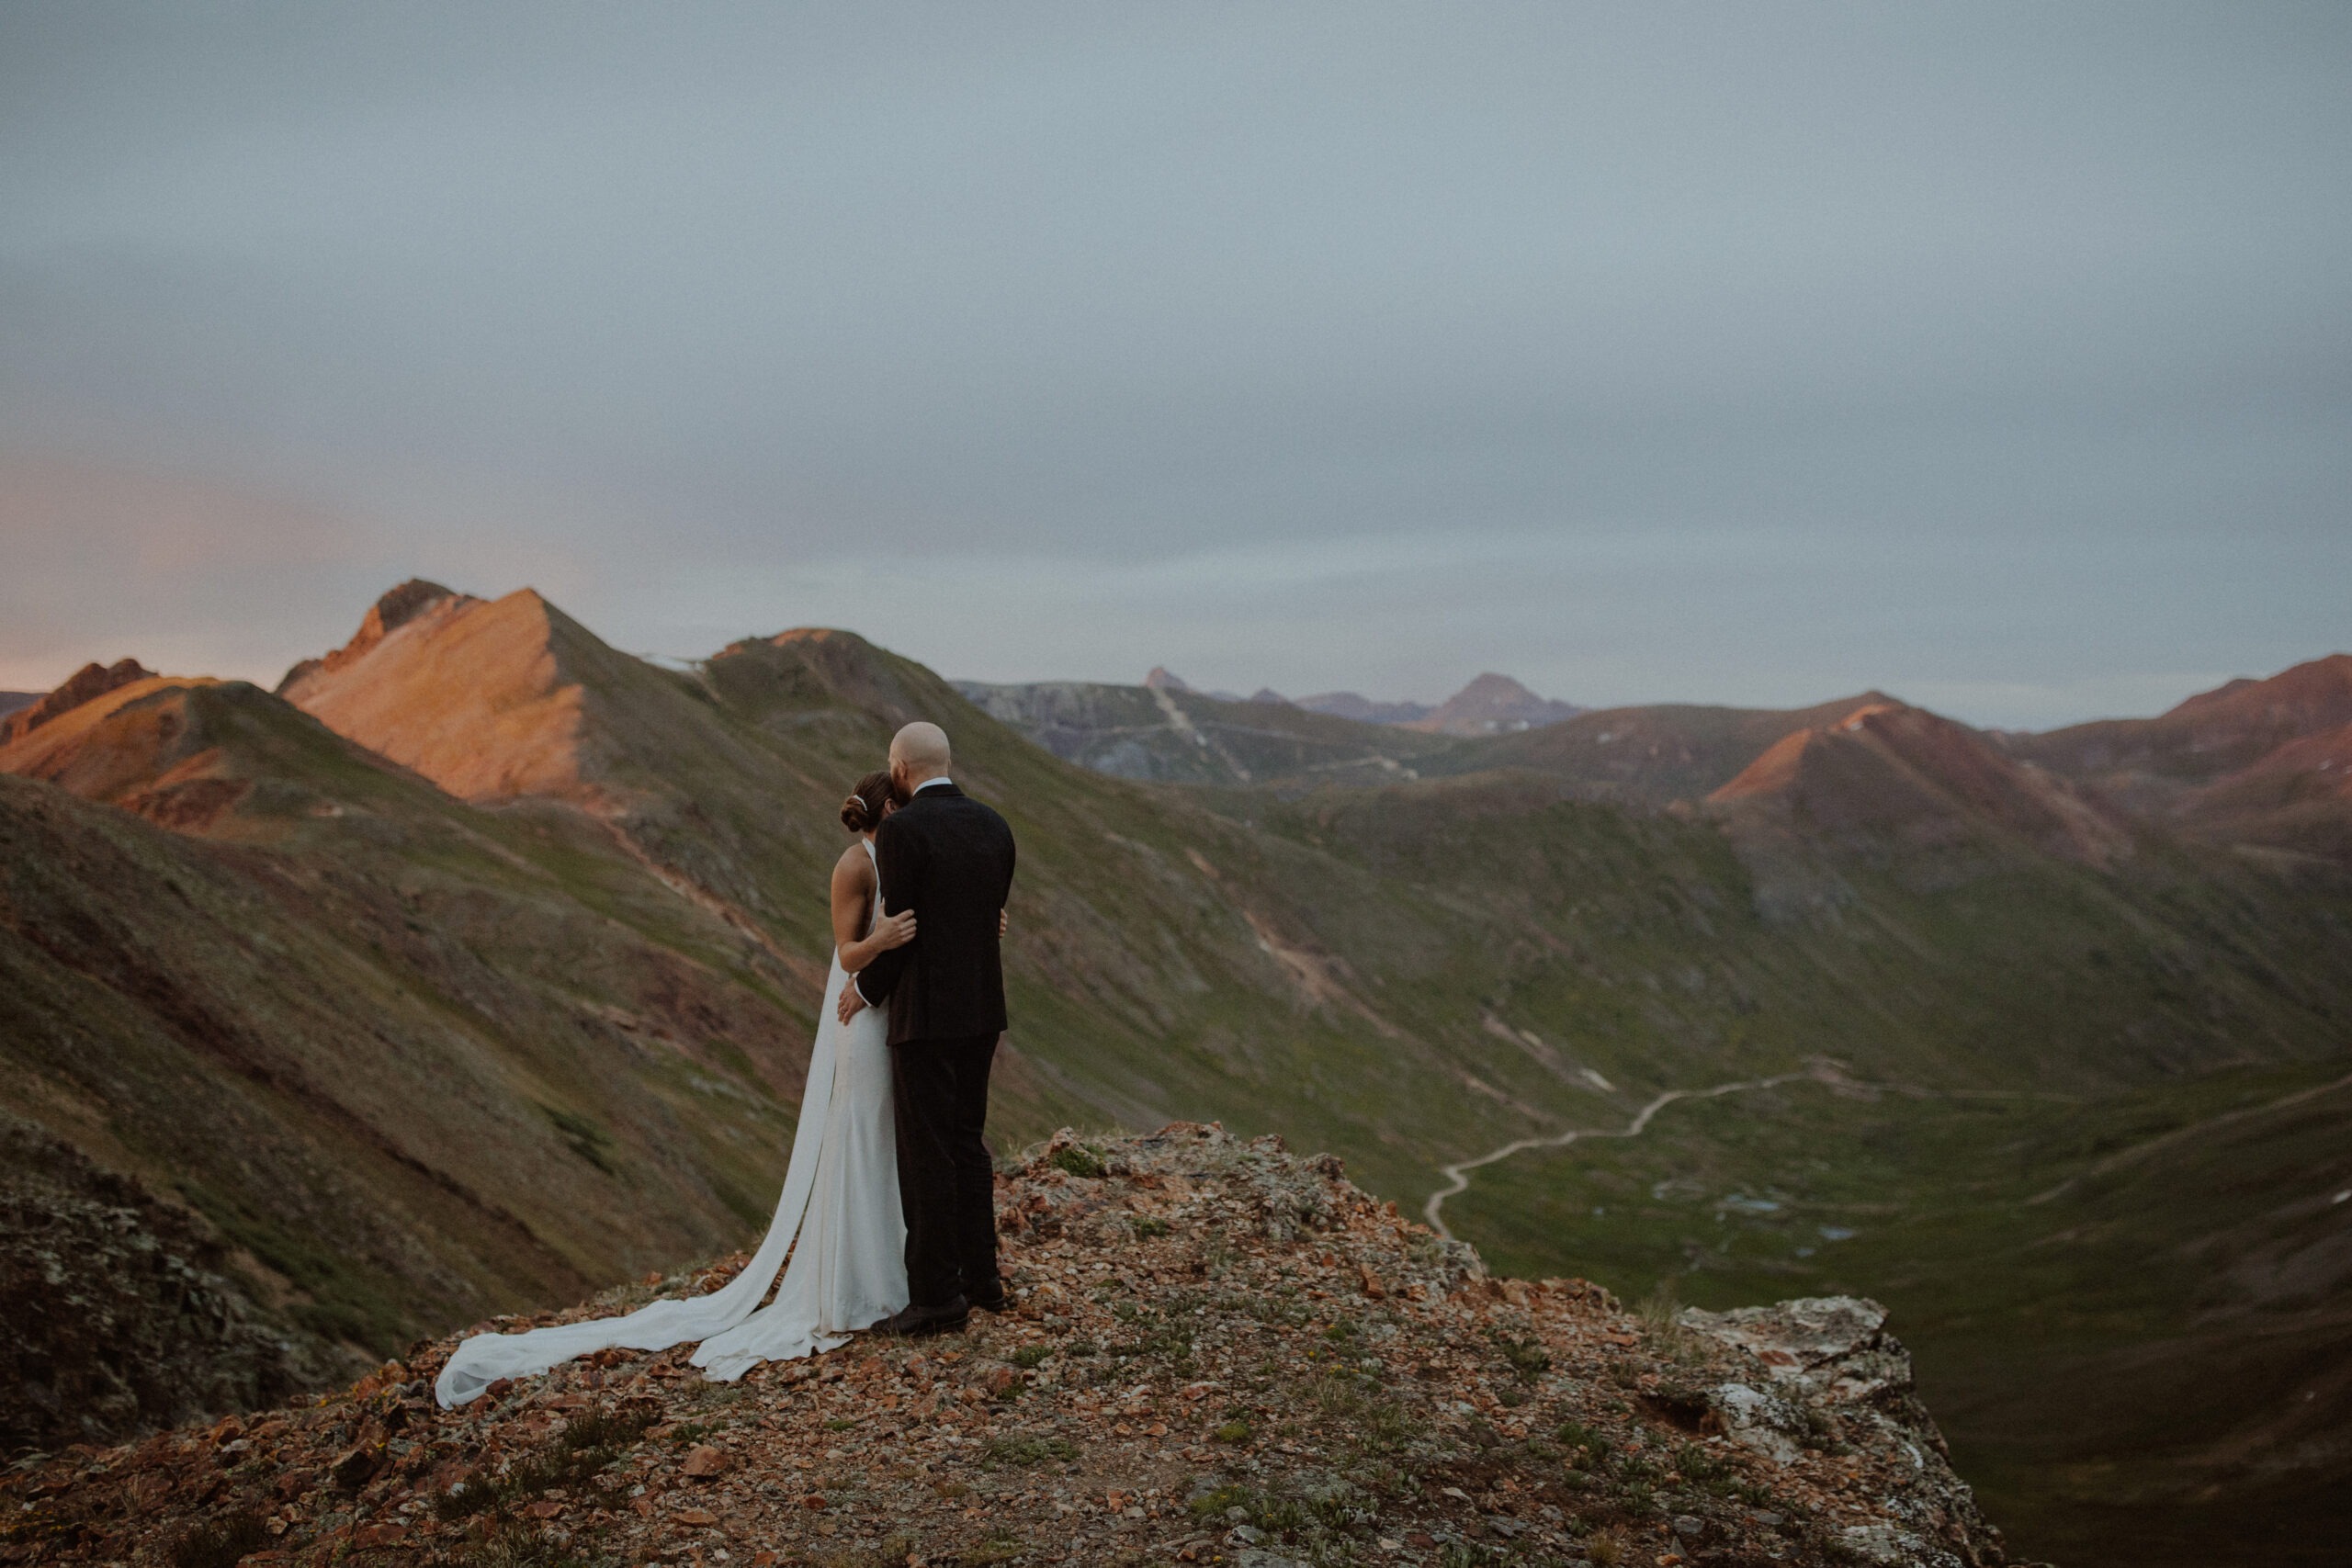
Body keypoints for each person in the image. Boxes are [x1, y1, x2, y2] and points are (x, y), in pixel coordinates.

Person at [433, 770, 920, 1407]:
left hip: (885, 1013)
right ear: (888, 806)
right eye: (904, 804)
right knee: (856, 1129)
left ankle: (887, 1272)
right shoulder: (854, 866)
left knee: (883, 1133)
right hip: (857, 1016)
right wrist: (881, 939)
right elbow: (848, 952)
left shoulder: (901, 857)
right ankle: (850, 1287)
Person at [839, 720, 1019, 1337]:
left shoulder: (902, 830)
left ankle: (936, 1298)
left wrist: (862, 991)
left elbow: (901, 928)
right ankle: (984, 1282)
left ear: (900, 770)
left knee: (927, 1156)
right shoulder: (995, 825)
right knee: (969, 1144)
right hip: (982, 1012)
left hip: (924, 1018)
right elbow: (991, 915)